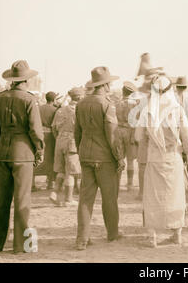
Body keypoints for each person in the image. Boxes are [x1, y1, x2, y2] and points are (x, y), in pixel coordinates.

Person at [0, 60, 44, 253]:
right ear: (27, 80)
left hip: (3, 152)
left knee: (1, 201)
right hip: (23, 154)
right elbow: (36, 131)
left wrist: (2, 145)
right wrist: (39, 150)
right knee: (22, 201)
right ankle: (21, 246)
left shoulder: (0, 98)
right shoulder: (29, 100)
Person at [136, 75, 188, 248]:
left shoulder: (147, 110)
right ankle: (177, 234)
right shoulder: (177, 109)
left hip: (154, 158)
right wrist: (187, 153)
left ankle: (152, 236)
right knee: (175, 195)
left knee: (153, 196)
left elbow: (138, 136)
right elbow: (187, 136)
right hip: (173, 158)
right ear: (170, 90)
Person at [74, 66, 125, 250]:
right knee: (109, 197)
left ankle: (82, 239)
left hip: (86, 156)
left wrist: (82, 152)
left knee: (85, 199)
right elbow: (111, 135)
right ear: (105, 84)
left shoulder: (81, 103)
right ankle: (112, 233)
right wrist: (119, 157)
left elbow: (77, 133)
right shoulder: (107, 104)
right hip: (104, 158)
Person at [49, 87, 85, 207]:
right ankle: (68, 199)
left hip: (59, 140)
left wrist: (59, 138)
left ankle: (54, 193)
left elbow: (53, 128)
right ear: (79, 97)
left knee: (61, 170)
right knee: (70, 172)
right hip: (72, 141)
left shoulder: (60, 110)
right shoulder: (79, 110)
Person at [116, 81, 139, 191]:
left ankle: (117, 182)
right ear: (131, 93)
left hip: (118, 130)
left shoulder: (117, 103)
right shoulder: (134, 104)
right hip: (130, 130)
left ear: (123, 91)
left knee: (119, 158)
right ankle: (129, 184)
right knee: (130, 160)